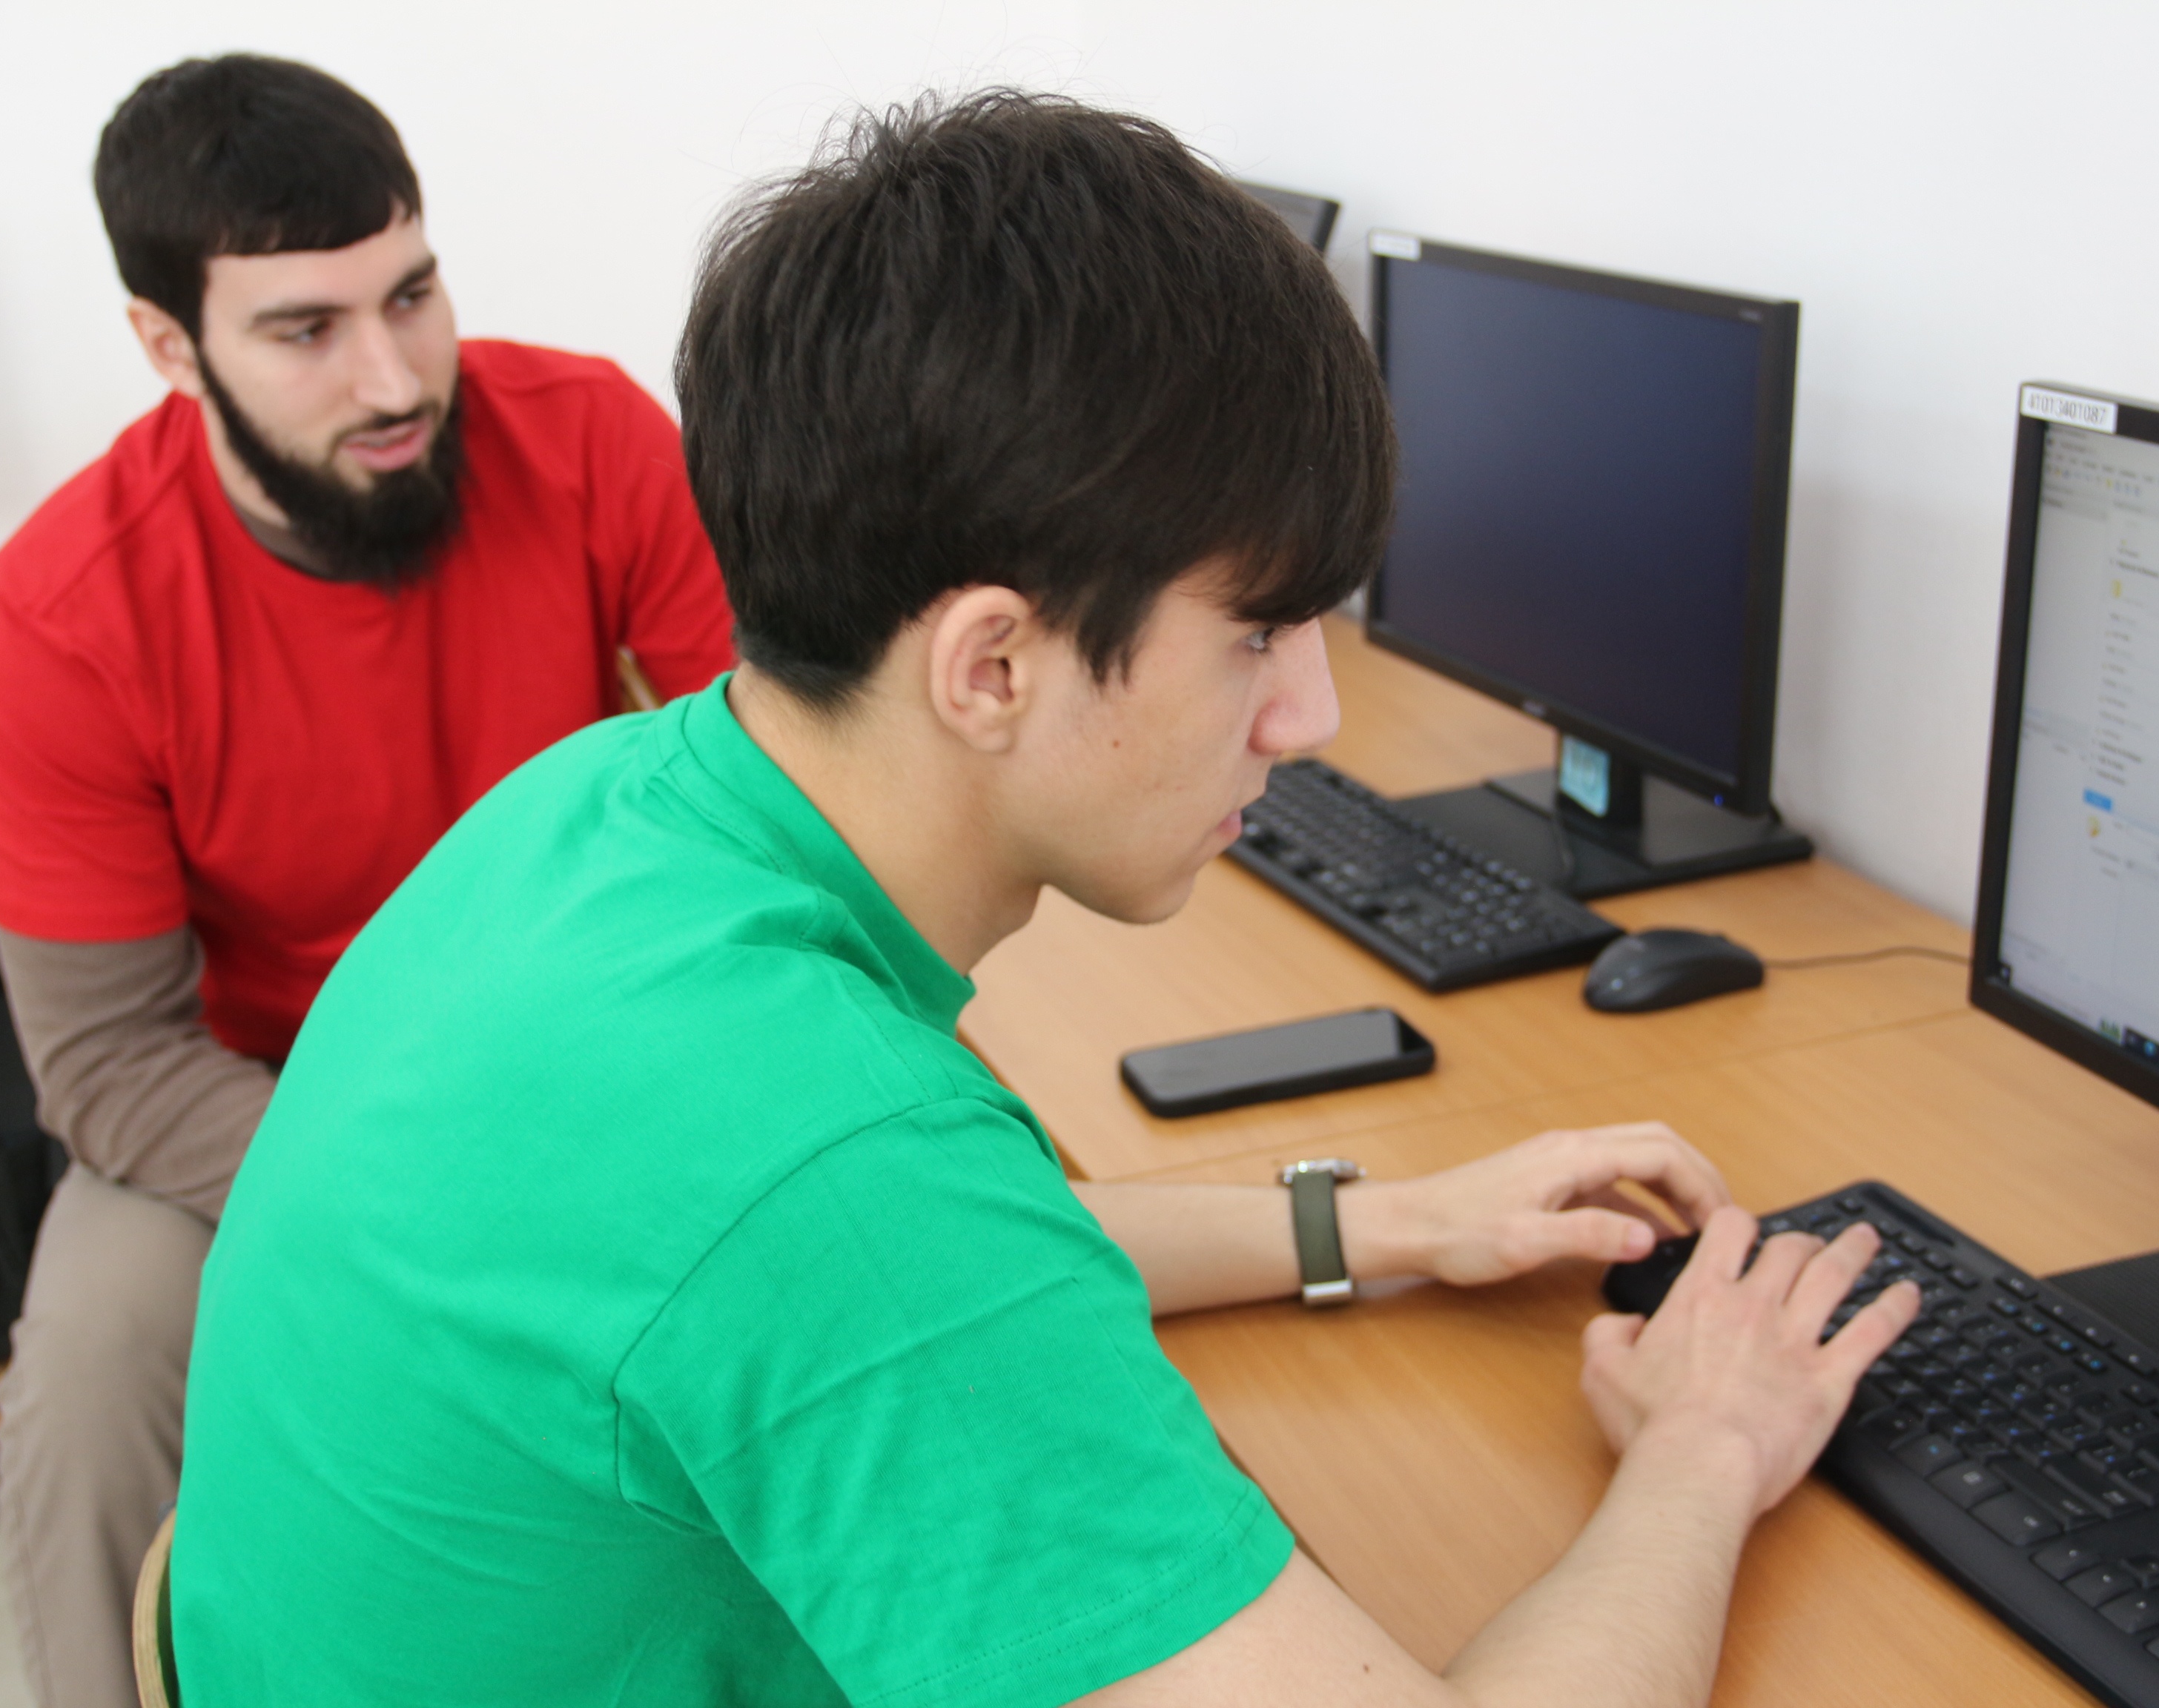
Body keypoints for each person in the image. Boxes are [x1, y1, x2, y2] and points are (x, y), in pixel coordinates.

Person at [169, 92, 1915, 1707]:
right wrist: (1707, 1449)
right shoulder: (832, 1168)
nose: (1309, 715)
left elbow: (940, 1272)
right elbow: (875, 1260)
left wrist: (1382, 1223)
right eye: (1258, 633)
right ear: (991, 666)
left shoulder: (604, 805)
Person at [0, 54, 733, 1708]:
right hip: (259, 1105)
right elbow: (106, 1063)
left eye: (413, 294)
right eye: (305, 330)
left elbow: (783, 788)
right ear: (169, 346)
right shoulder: (59, 612)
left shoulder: (595, 437)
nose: (394, 378)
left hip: (582, 1058)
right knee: (91, 1366)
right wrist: (422, 1191)